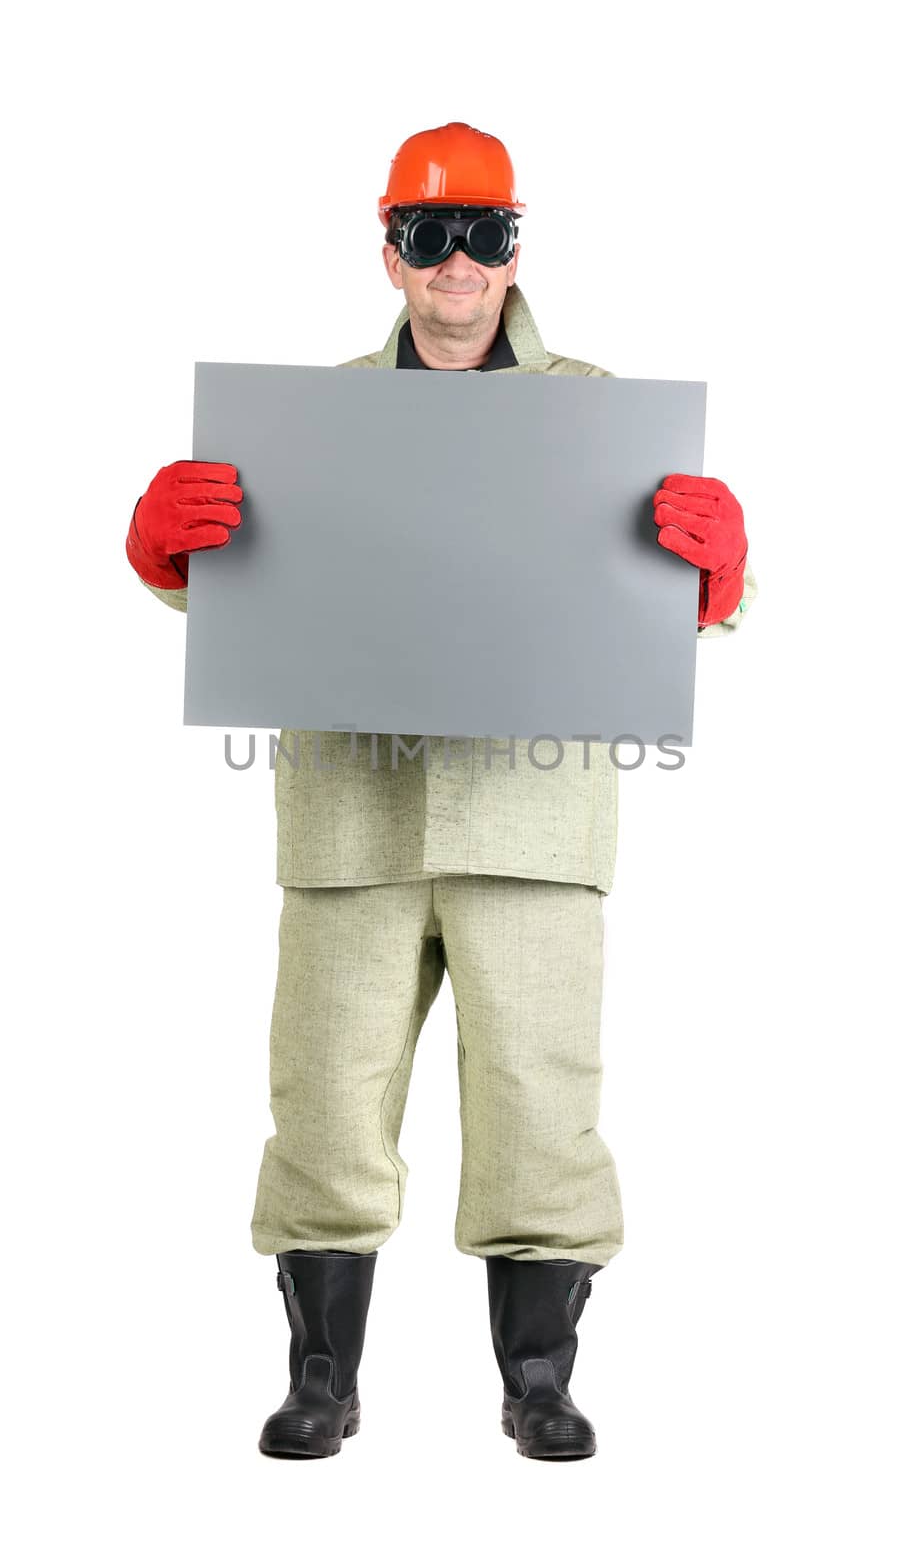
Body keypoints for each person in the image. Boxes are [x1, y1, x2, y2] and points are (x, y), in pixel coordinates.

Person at [125, 120, 757, 1462]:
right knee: (324, 1100)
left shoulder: (601, 412)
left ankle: (539, 1379)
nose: (456, 260)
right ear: (389, 246)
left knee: (540, 1103)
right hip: (348, 817)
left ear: (514, 244)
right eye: (429, 233)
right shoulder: (305, 423)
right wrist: (170, 562)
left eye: (480, 232)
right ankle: (319, 1378)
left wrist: (718, 573)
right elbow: (255, 596)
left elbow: (701, 610)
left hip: (534, 822)